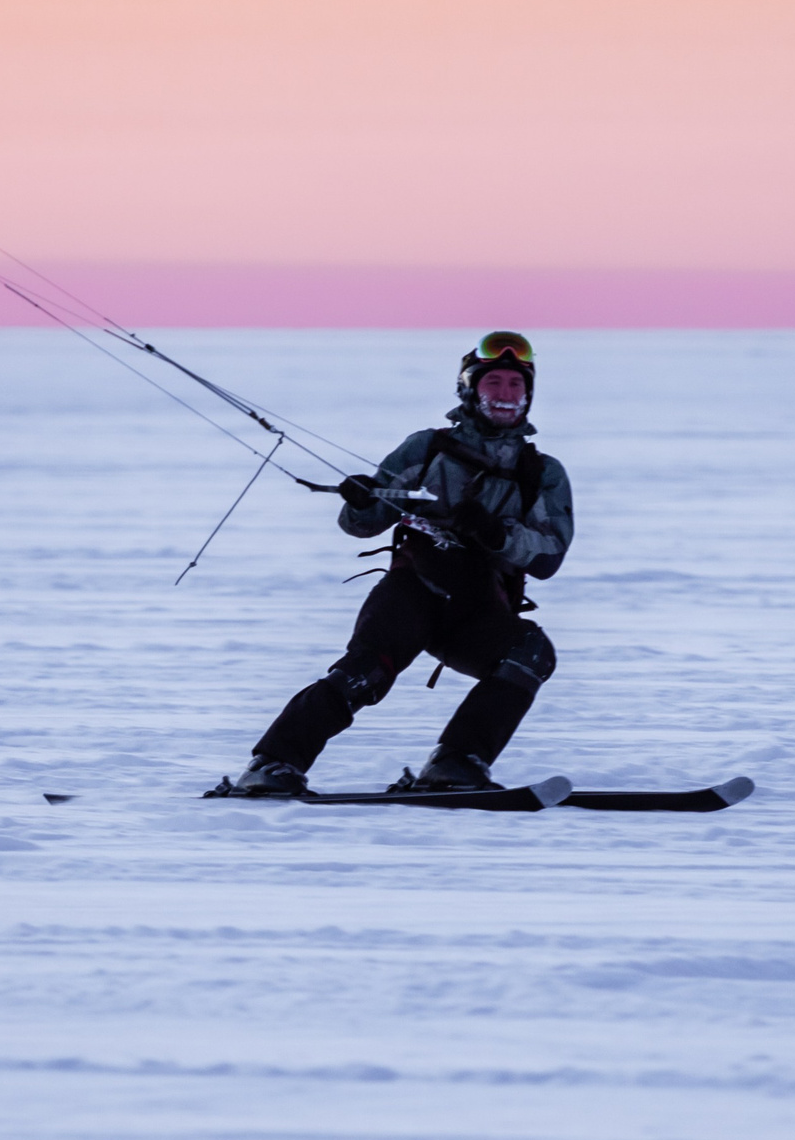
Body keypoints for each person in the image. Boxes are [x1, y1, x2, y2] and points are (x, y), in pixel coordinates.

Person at [230, 331, 574, 795]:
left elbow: (549, 557)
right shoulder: (426, 449)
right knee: (364, 672)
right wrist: (360, 499)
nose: (505, 394)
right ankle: (271, 765)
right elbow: (364, 523)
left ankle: (455, 764)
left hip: (476, 610)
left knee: (531, 652)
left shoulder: (543, 473)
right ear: (470, 390)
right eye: (493, 383)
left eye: (516, 385)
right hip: (413, 592)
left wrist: (497, 534)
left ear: (528, 395)